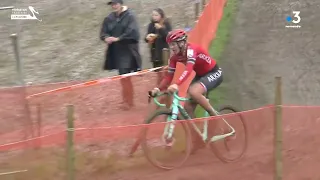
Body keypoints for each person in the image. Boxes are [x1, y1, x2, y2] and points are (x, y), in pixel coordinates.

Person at [149, 29, 223, 153]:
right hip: (201, 75)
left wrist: (177, 84)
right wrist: (158, 88)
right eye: (170, 44)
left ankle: (215, 116)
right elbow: (168, 77)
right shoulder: (174, 58)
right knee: (187, 108)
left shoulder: (191, 50)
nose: (171, 47)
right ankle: (197, 139)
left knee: (194, 92)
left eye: (173, 44)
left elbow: (188, 70)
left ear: (182, 43)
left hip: (214, 72)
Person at [100, 0, 142, 110]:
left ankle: (128, 101)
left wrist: (119, 38)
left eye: (116, 4)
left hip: (128, 50)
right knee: (122, 76)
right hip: (116, 52)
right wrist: (106, 38)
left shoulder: (130, 16)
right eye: (112, 4)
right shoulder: (109, 18)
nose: (114, 6)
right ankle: (126, 100)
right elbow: (103, 32)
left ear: (121, 3)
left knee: (125, 75)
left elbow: (133, 33)